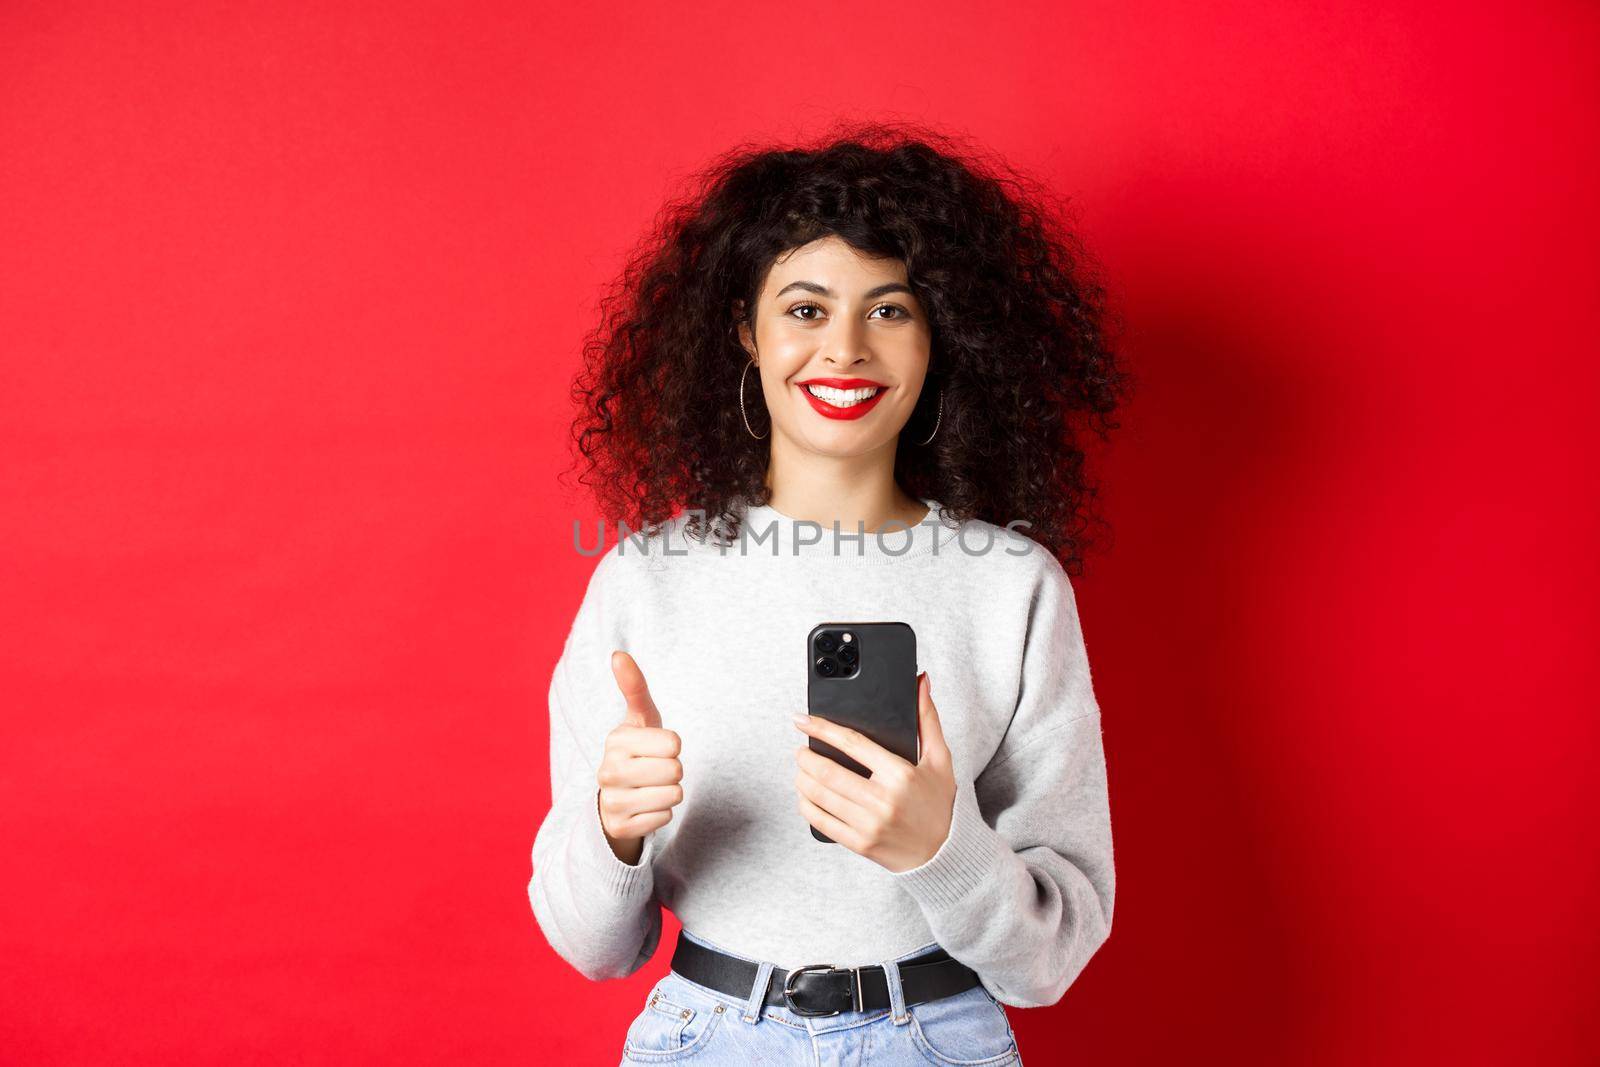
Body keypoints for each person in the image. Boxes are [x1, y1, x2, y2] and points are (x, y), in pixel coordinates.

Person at [528, 121, 1133, 1065]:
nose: (845, 348)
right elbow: (592, 948)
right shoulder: (644, 581)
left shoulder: (1013, 586)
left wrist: (945, 847)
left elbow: (1047, 963)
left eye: (889, 310)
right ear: (746, 330)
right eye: (806, 309)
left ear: (941, 335)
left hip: (940, 1038)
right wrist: (613, 833)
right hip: (705, 1039)